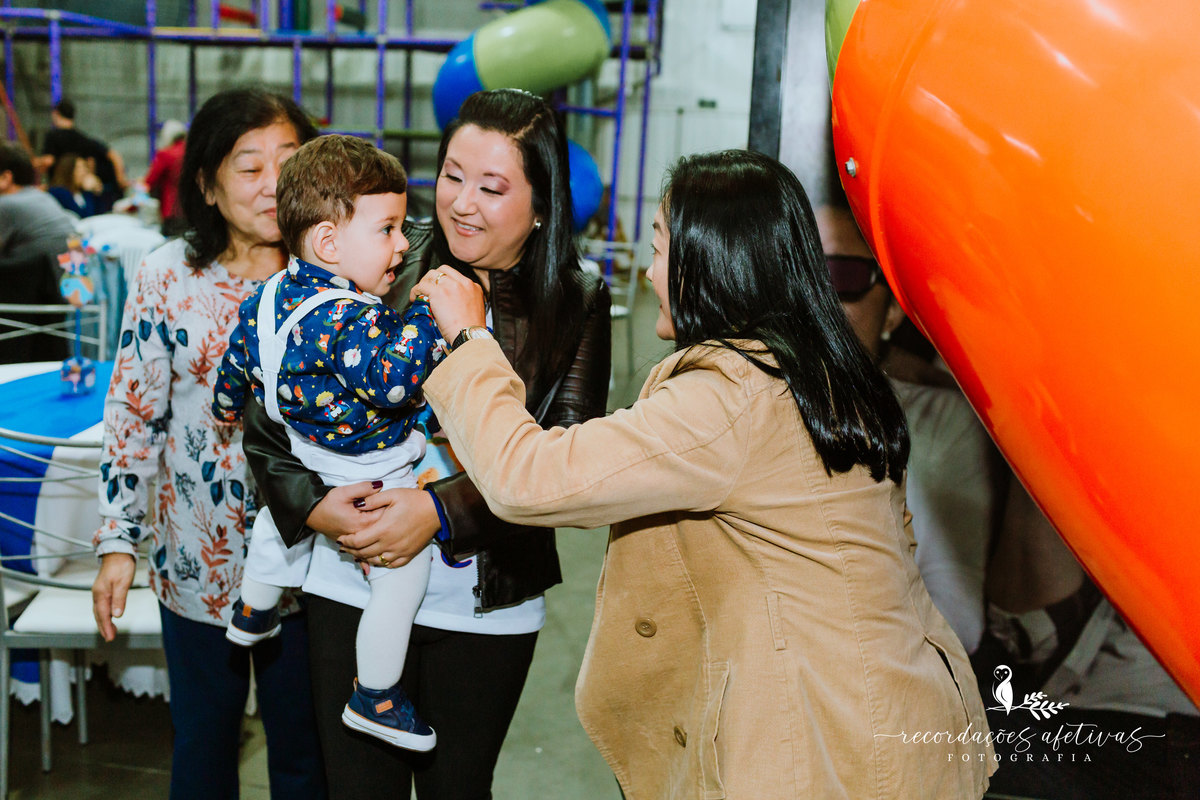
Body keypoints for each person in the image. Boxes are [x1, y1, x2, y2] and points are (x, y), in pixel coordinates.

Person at [412, 149, 995, 798]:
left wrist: (470, 341)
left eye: (661, 248)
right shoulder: (812, 372)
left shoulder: (734, 395)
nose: (651, 272)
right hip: (887, 716)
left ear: (709, 264)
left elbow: (527, 478)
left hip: (823, 746)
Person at [239, 88, 612, 799]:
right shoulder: (378, 255)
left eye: (492, 187)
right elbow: (267, 411)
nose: (462, 203)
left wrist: (437, 514)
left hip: (488, 597)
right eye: (451, 175)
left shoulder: (576, 297)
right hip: (350, 572)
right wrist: (314, 506)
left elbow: (571, 458)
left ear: (541, 201)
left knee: (459, 788)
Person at [90, 88, 326, 800]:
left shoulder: (333, 275)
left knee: (305, 755)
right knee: (203, 748)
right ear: (208, 184)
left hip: (311, 565)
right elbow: (135, 414)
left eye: (289, 161)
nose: (273, 183)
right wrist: (118, 542)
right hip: (195, 562)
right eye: (248, 165)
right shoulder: (168, 274)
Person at [212, 134, 443, 751]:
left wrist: (228, 404)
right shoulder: (354, 316)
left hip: (303, 452)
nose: (403, 243)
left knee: (277, 523)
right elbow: (393, 385)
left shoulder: (267, 295)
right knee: (402, 577)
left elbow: (236, 366)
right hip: (366, 467)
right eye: (390, 228)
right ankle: (377, 693)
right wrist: (427, 318)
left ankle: (254, 607)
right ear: (330, 243)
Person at [818, 203, 1003, 654]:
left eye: (841, 276)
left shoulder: (940, 426)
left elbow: (956, 619)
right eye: (796, 274)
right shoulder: (733, 409)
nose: (815, 299)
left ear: (893, 315)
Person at [38, 99, 129, 213]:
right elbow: (98, 159)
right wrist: (120, 179)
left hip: (63, 186)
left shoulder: (53, 136)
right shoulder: (83, 138)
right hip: (76, 188)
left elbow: (48, 161)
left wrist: (34, 164)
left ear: (56, 114)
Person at [0, 141, 76, 266]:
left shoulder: (5, 205)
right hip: (76, 281)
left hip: (44, 282)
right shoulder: (42, 196)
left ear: (5, 178)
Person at [143, 119, 188, 235]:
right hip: (194, 210)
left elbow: (149, 181)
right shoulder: (193, 152)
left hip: (172, 210)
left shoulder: (166, 154)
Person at [46, 152, 104, 218]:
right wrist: (89, 191)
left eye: (85, 167)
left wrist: (97, 192)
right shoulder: (58, 192)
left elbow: (99, 216)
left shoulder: (83, 193)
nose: (84, 172)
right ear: (69, 171)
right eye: (80, 168)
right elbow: (81, 217)